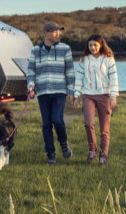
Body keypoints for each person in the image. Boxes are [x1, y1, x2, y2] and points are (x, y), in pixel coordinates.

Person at [26, 22, 76, 164]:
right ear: (46, 33)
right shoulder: (36, 50)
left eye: (58, 31)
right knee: (46, 124)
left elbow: (70, 71)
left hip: (59, 90)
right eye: (54, 31)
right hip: (42, 92)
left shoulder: (65, 49)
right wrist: (31, 86)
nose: (57, 34)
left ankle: (64, 143)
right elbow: (31, 71)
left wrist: (71, 90)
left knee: (57, 120)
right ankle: (50, 153)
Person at [72, 34, 118, 165]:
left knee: (104, 130)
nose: (92, 47)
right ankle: (92, 149)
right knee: (88, 124)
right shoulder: (84, 60)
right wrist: (76, 95)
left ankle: (103, 155)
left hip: (105, 96)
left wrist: (113, 96)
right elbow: (79, 78)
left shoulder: (108, 59)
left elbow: (114, 78)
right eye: (90, 45)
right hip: (88, 95)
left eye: (95, 45)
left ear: (101, 45)